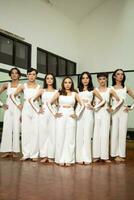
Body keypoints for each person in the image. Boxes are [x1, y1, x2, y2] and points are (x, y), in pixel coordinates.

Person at [47, 76, 84, 167]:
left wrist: (77, 114)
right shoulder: (59, 93)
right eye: (65, 82)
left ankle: (69, 159)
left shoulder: (75, 94)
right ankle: (60, 159)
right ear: (63, 84)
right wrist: (54, 113)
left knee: (70, 137)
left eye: (69, 82)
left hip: (71, 115)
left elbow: (82, 105)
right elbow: (48, 103)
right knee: (60, 136)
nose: (67, 84)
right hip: (61, 115)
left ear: (72, 84)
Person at [11, 68, 41, 161]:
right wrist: (19, 104)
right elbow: (12, 95)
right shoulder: (24, 86)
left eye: (33, 74)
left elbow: (40, 99)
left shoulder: (39, 87)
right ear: (27, 75)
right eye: (29, 74)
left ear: (36, 76)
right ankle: (26, 154)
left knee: (35, 132)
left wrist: (40, 107)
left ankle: (34, 155)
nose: (31, 76)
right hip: (26, 109)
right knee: (25, 131)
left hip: (35, 108)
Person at [93, 72, 123, 163]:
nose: (102, 80)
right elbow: (91, 101)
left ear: (106, 79)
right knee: (96, 134)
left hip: (106, 113)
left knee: (105, 134)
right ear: (97, 80)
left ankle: (105, 157)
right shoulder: (94, 90)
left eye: (104, 79)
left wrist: (113, 108)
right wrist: (93, 104)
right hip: (97, 113)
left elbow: (120, 100)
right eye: (100, 79)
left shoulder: (110, 90)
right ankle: (96, 156)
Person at [76, 71, 105, 165]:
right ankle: (79, 157)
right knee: (79, 135)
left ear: (90, 79)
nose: (85, 80)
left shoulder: (93, 90)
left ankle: (87, 157)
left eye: (87, 78)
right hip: (79, 113)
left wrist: (94, 107)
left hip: (88, 113)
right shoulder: (77, 90)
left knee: (87, 136)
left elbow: (103, 100)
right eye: (83, 78)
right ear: (81, 79)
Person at [29, 73, 57, 163]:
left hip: (53, 113)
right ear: (45, 80)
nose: (49, 80)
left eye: (51, 78)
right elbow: (31, 100)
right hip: (44, 113)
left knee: (52, 134)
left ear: (54, 80)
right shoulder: (42, 90)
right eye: (47, 78)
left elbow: (60, 103)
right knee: (43, 134)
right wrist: (38, 109)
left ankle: (51, 156)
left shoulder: (57, 91)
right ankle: (44, 155)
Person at [110, 69, 134, 162]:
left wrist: (130, 107)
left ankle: (121, 154)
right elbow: (108, 102)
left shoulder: (126, 88)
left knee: (122, 132)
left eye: (122, 74)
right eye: (118, 74)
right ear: (114, 76)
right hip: (115, 111)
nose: (120, 76)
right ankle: (114, 154)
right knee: (114, 132)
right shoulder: (111, 88)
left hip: (123, 112)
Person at [0, 67, 22, 158]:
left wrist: (23, 107)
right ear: (10, 74)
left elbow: (28, 96)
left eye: (16, 73)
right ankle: (7, 150)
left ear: (19, 75)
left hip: (17, 109)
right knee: (7, 129)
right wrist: (1, 104)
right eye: (12, 73)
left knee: (16, 129)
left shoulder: (22, 86)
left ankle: (15, 151)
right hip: (8, 109)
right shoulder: (6, 84)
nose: (14, 74)